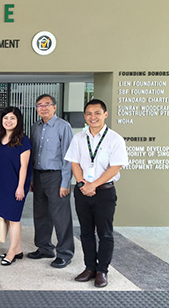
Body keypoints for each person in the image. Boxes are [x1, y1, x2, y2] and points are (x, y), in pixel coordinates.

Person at [65, 99, 128, 288]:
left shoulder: (114, 139)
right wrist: (83, 183)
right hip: (83, 190)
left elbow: (115, 167)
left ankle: (102, 271)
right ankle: (89, 267)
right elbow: (74, 163)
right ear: (85, 116)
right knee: (86, 232)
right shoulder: (79, 138)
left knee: (105, 233)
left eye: (97, 113)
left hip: (104, 192)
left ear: (105, 114)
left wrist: (94, 185)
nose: (93, 117)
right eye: (89, 114)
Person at [28, 94, 75, 268]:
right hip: (39, 175)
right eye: (40, 105)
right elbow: (33, 155)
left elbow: (68, 157)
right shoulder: (36, 127)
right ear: (36, 109)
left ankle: (65, 253)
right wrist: (32, 178)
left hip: (56, 176)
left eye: (47, 104)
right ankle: (44, 248)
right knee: (40, 213)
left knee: (60, 216)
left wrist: (65, 182)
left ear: (54, 107)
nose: (44, 108)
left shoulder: (63, 126)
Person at [0, 107, 32, 266]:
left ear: (18, 121)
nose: (8, 121)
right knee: (7, 217)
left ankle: (11, 252)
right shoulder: (0, 137)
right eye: (6, 118)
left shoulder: (24, 140)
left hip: (17, 185)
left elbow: (24, 166)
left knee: (14, 219)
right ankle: (18, 249)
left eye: (12, 118)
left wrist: (20, 187)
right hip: (3, 184)